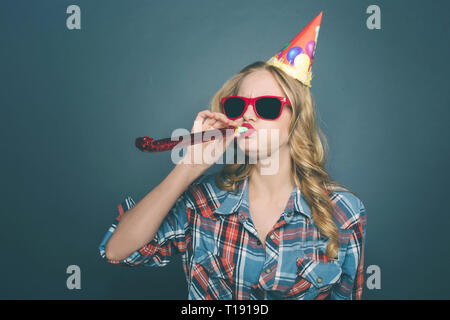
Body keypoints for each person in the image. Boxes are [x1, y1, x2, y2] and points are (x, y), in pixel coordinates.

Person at [98, 12, 367, 300]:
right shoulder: (203, 201)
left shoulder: (343, 212)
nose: (248, 114)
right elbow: (117, 250)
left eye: (265, 106)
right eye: (238, 105)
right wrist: (188, 168)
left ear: (297, 120)